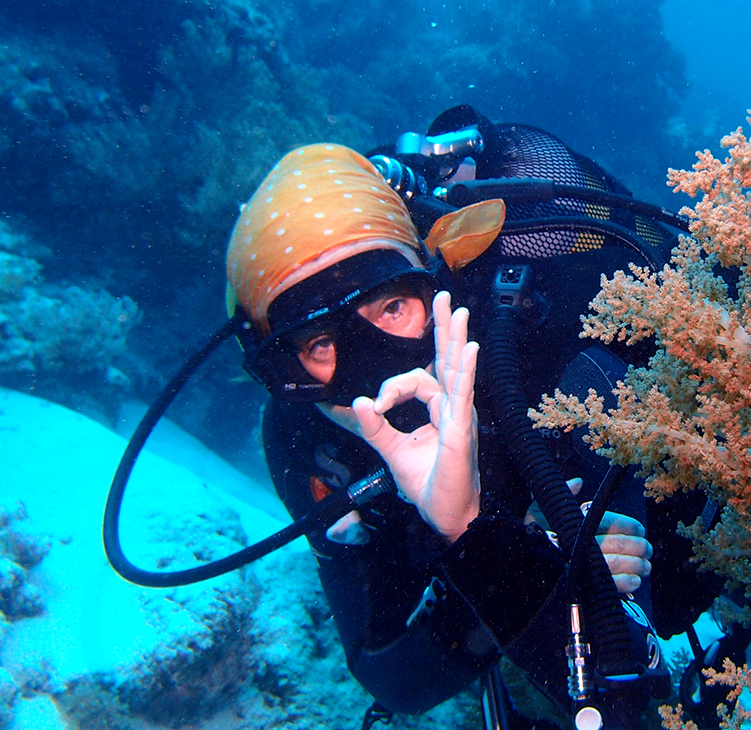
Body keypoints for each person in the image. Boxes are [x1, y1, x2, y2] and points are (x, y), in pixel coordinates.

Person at [224, 108, 719, 729]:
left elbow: (625, 690)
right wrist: (490, 545)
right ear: (282, 369)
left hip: (723, 549)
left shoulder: (544, 353)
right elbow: (390, 675)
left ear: (435, 284)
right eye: (320, 345)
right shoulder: (307, 438)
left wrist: (507, 551)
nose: (375, 375)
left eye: (394, 307)